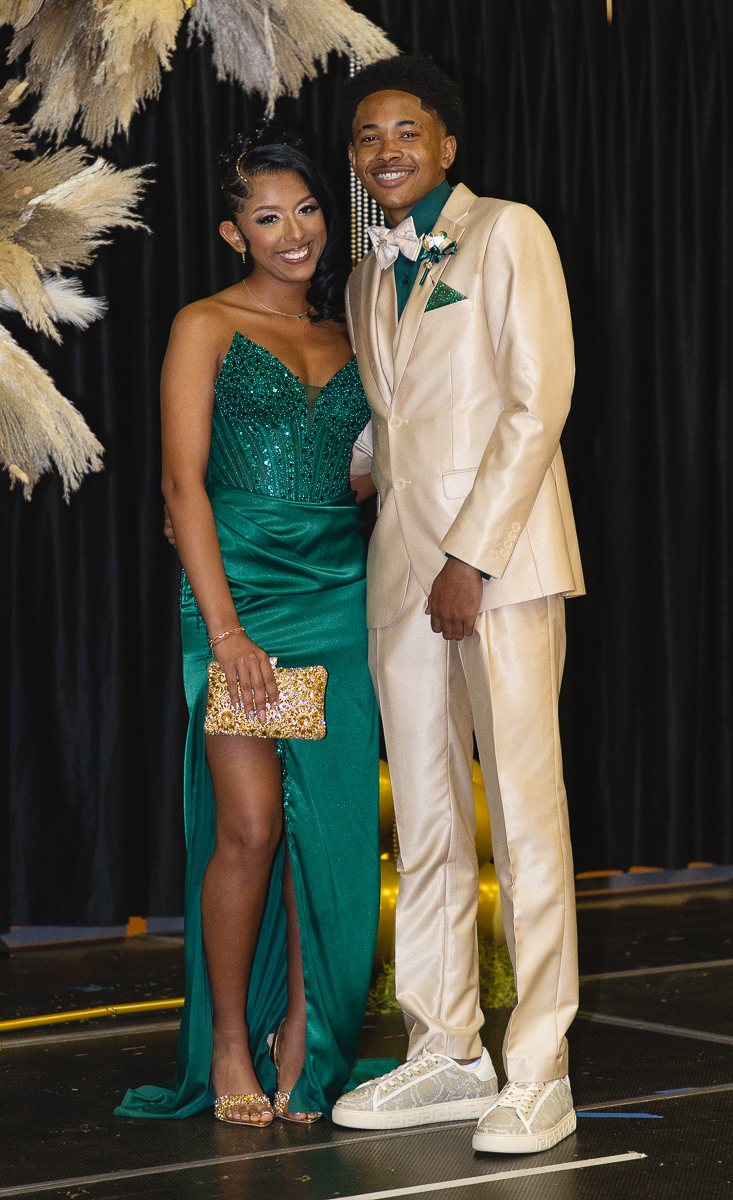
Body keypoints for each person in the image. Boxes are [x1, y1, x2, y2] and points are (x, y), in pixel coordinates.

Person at [330, 57, 585, 1155]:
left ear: (443, 146)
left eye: (404, 131)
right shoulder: (359, 275)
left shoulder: (504, 233)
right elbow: (403, 412)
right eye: (365, 137)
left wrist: (469, 559)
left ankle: (540, 1068)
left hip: (503, 565)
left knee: (524, 821)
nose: (384, 150)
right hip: (400, 572)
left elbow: (538, 402)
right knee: (426, 824)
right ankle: (442, 1048)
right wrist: (359, 460)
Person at [115, 126, 380, 1128]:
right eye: (266, 217)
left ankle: (303, 1042)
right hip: (240, 600)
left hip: (338, 596)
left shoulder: (352, 331)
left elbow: (358, 473)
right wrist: (224, 634)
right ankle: (228, 1038)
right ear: (234, 232)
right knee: (251, 827)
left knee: (323, 837)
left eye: (306, 209)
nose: (293, 232)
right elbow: (181, 482)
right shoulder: (206, 324)